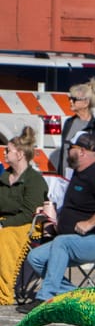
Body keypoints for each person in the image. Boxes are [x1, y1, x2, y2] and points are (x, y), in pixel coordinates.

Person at [17, 131, 95, 313]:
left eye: (71, 148)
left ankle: (44, 298)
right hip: (74, 241)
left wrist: (90, 223)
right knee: (36, 258)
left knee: (62, 242)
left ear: (82, 151)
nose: (67, 152)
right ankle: (82, 297)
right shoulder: (79, 173)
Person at [0, 127, 48, 304]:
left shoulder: (34, 180)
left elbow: (29, 213)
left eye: (8, 150)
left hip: (27, 223)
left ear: (20, 154)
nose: (4, 153)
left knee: (3, 237)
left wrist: (3, 225)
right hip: (5, 220)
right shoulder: (5, 176)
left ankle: (4, 290)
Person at [58, 78, 95, 177]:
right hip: (65, 179)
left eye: (74, 99)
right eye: (70, 98)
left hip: (85, 179)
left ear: (86, 103)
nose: (70, 102)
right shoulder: (69, 123)